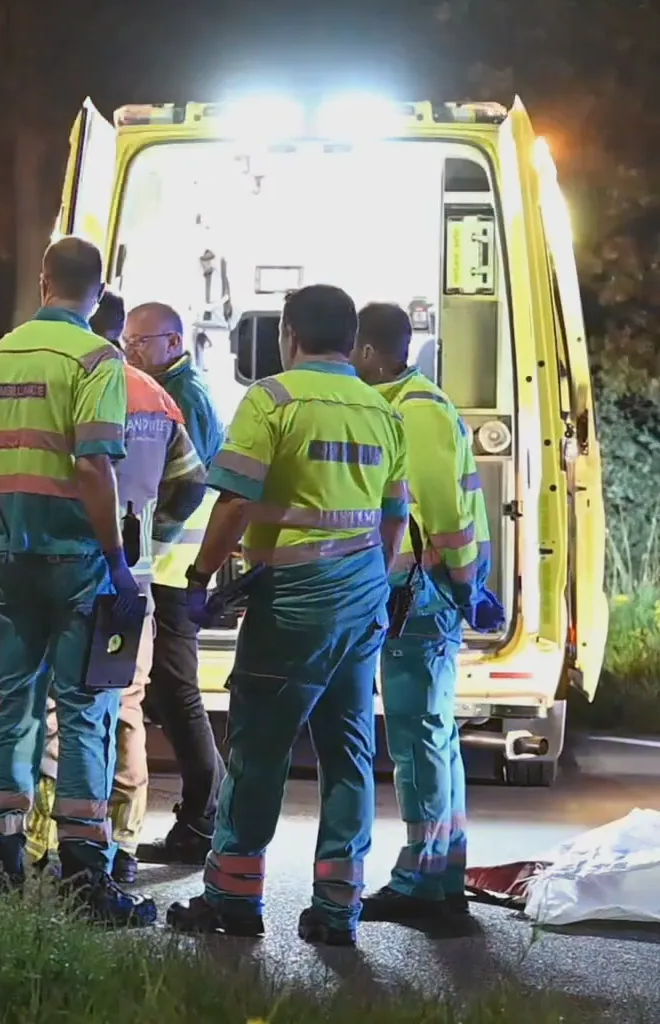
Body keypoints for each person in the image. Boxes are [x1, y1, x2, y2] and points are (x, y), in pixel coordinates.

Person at [165, 284, 410, 948]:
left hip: (295, 600)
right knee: (349, 751)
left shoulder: (272, 398)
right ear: (348, 337)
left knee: (259, 749)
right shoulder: (381, 409)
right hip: (362, 597)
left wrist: (198, 579)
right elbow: (394, 517)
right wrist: (378, 590)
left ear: (291, 334)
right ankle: (337, 910)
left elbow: (234, 503)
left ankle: (233, 901)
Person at [0, 237, 154, 926]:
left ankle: (1, 858)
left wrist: (10, 536)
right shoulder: (97, 358)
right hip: (79, 561)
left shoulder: (2, 352)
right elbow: (93, 466)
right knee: (85, 710)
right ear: (98, 292)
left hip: (17, 557)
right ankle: (85, 878)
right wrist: (115, 560)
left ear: (44, 280)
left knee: (15, 705)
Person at [24, 292, 206, 886]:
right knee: (126, 706)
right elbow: (192, 482)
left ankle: (50, 840)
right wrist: (152, 536)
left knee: (61, 709)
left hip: (73, 567)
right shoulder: (157, 398)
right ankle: (122, 841)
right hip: (136, 578)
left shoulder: (69, 388)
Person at [351, 302, 503, 922]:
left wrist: (465, 588)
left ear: (368, 352)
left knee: (419, 739)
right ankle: (438, 873)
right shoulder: (411, 405)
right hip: (428, 589)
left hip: (426, 592)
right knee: (430, 737)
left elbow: (446, 515)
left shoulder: (415, 413)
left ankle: (427, 885)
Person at [122, 300, 228, 866]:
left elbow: (192, 485)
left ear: (173, 340)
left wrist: (148, 535)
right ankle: (209, 809)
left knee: (176, 691)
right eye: (127, 340)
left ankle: (204, 818)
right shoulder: (170, 388)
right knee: (167, 692)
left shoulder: (182, 396)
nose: (130, 350)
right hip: (163, 567)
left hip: (169, 567)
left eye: (141, 342)